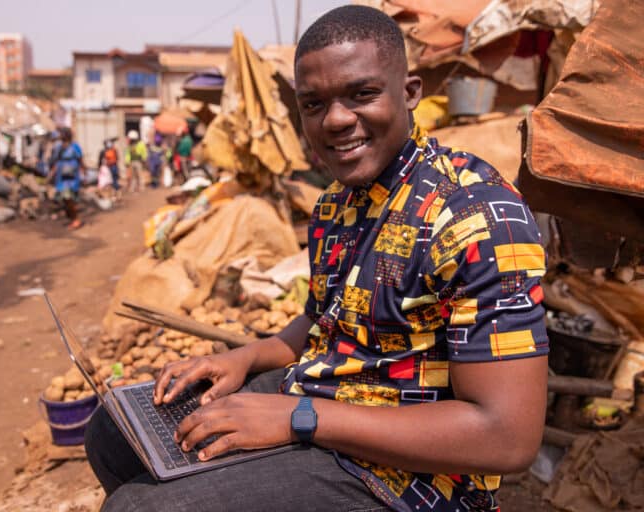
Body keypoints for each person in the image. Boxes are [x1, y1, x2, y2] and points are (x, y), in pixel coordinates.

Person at [85, 6, 549, 511]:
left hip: (413, 479)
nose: (336, 120)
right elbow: (321, 319)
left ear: (411, 92)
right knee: (115, 429)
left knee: (137, 508)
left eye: (361, 94)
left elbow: (506, 437)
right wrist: (240, 359)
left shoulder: (476, 216)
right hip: (328, 404)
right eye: (314, 103)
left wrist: (295, 417)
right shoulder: (336, 204)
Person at [49, 127, 85, 229]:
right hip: (61, 177)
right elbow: (56, 162)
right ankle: (72, 218)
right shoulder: (59, 148)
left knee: (68, 197)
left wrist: (83, 173)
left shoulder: (75, 147)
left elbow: (81, 160)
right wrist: (52, 173)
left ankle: (76, 219)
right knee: (64, 199)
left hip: (72, 178)